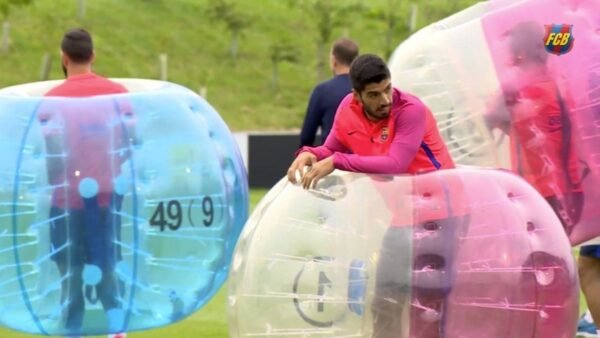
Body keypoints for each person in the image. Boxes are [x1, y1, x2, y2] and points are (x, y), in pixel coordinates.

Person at [287, 54, 459, 337]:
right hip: (403, 216)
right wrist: (310, 153)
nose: (385, 100)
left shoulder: (410, 110)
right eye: (374, 94)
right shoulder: (347, 109)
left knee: (426, 307)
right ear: (357, 96)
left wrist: (338, 161)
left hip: (441, 212)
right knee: (385, 301)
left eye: (388, 89)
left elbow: (395, 164)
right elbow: (331, 148)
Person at [484, 21, 593, 336]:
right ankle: (548, 323)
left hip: (542, 193)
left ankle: (541, 324)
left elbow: (495, 118)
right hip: (565, 190)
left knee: (537, 264)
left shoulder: (523, 87)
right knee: (550, 263)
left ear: (518, 51)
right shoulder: (558, 82)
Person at [41, 28, 131, 338]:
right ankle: (117, 331)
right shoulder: (119, 94)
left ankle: (72, 331)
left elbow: (52, 153)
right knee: (107, 267)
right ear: (92, 56)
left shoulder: (50, 101)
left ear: (63, 58)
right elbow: (130, 143)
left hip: (65, 201)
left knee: (69, 273)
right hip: (107, 200)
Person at [299, 38, 359, 147]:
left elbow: (307, 136)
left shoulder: (322, 91)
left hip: (331, 160)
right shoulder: (367, 90)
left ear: (334, 60)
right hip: (362, 160)